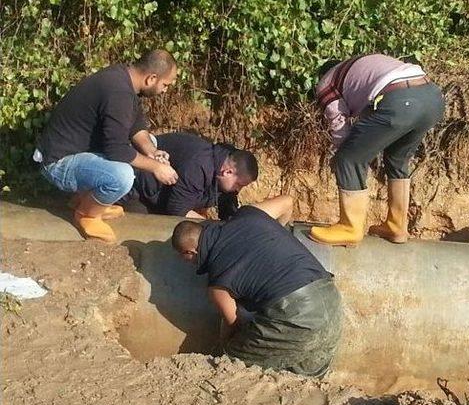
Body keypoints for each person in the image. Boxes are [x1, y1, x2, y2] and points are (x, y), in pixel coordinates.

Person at [171, 196, 342, 377]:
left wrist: (224, 347)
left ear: (190, 252)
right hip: (331, 299)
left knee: (230, 362)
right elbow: (287, 202)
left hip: (295, 315)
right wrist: (274, 235)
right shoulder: (249, 214)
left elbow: (236, 325)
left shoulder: (217, 286)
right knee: (308, 377)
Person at [35, 49, 179, 243]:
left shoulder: (124, 79)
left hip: (77, 153)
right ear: (151, 78)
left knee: (143, 153)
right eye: (165, 85)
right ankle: (87, 214)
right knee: (122, 176)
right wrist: (157, 167)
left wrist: (152, 153)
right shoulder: (118, 93)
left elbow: (135, 127)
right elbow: (116, 150)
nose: (165, 91)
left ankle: (85, 200)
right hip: (57, 163)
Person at [309, 54, 445, 247]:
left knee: (348, 158)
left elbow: (339, 125)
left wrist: (347, 156)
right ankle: (397, 226)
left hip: (401, 101)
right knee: (397, 158)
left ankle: (350, 228)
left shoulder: (326, 82)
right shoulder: (360, 69)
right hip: (433, 98)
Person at [125, 132, 258, 219]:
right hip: (137, 188)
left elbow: (227, 204)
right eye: (239, 185)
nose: (238, 190)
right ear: (228, 172)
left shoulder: (224, 168)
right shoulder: (199, 166)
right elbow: (177, 210)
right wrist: (212, 228)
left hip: (163, 197)